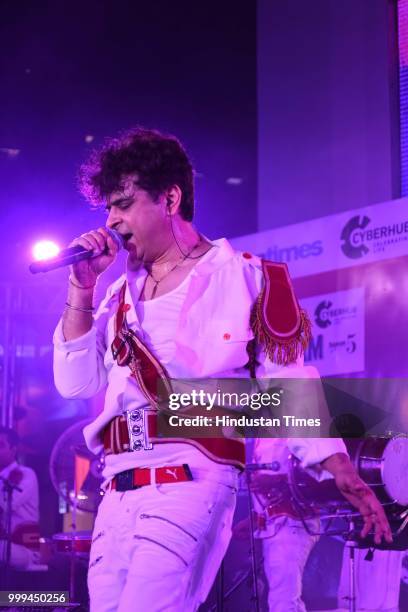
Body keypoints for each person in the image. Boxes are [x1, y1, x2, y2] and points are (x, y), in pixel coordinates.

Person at [53, 127, 391, 612]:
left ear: (170, 198)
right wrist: (82, 290)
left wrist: (340, 467)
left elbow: (289, 383)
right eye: (108, 208)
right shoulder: (115, 295)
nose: (112, 221)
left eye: (124, 204)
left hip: (188, 482)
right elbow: (75, 382)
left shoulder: (246, 277)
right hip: (117, 488)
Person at [0, 426, 40, 570]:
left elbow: (5, 505)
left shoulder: (25, 474)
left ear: (13, 449)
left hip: (24, 549)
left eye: (1, 445)